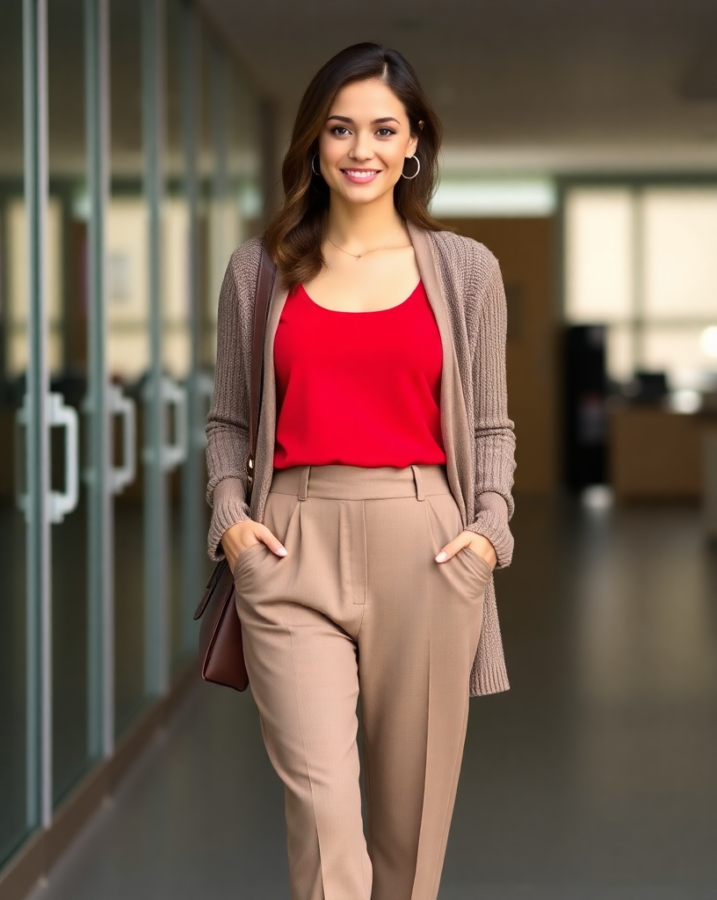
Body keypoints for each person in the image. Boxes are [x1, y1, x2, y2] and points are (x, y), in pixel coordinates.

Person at [205, 41, 516, 900]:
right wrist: (231, 519)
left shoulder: (465, 272)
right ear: (313, 141)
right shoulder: (258, 269)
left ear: (414, 142)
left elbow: (490, 425)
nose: (360, 149)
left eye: (382, 129)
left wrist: (489, 533)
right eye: (339, 129)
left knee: (409, 839)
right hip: (288, 542)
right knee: (323, 815)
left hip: (428, 545)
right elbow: (229, 420)